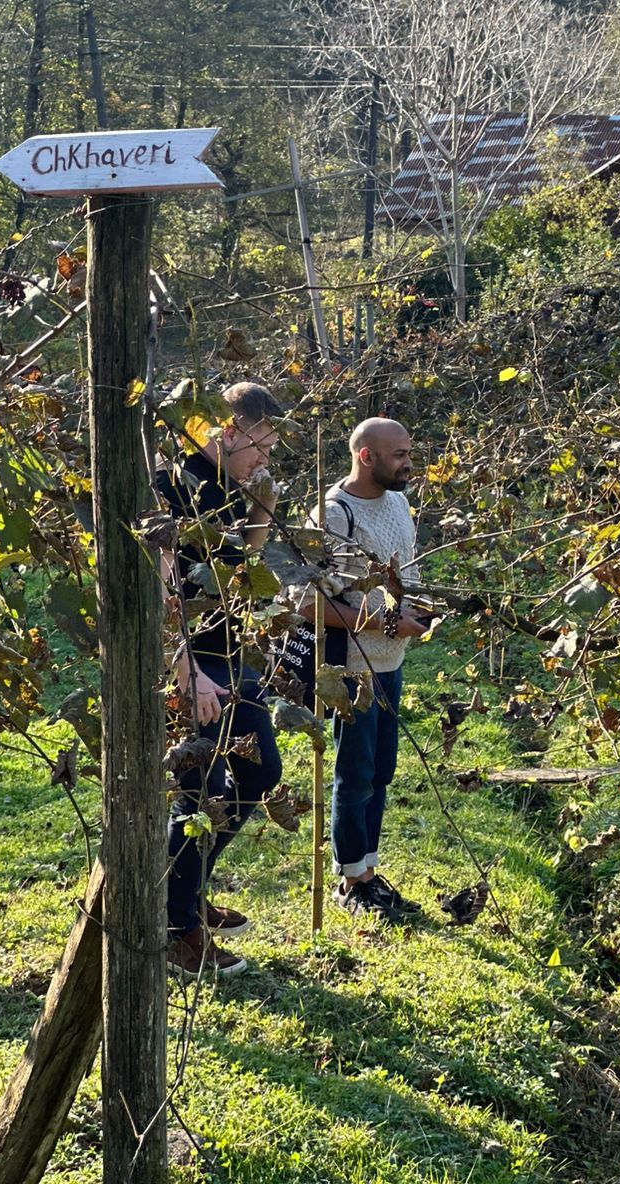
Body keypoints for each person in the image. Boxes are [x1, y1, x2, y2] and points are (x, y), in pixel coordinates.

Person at [156, 380, 286, 979]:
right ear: (226, 431)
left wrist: (261, 509)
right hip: (195, 665)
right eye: (261, 444)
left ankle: (185, 890)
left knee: (259, 771)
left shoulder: (232, 487)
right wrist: (187, 672)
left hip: (231, 655)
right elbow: (160, 592)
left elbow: (242, 569)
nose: (265, 458)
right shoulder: (171, 486)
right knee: (199, 787)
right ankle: (176, 927)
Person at [301, 417, 432, 922]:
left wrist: (419, 611)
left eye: (409, 452)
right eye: (399, 455)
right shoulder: (333, 516)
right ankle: (349, 880)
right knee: (354, 774)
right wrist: (387, 622)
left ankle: (368, 874)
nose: (408, 463)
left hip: (390, 661)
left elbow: (404, 575)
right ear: (366, 456)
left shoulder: (398, 502)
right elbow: (307, 603)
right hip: (351, 667)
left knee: (381, 771)